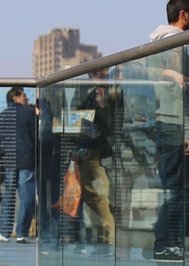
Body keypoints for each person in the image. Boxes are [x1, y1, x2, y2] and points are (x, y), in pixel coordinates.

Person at [144, 0, 189, 262]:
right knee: (176, 189)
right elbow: (181, 94)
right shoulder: (175, 45)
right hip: (174, 125)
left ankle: (171, 245)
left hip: (170, 124)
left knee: (178, 188)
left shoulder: (167, 43)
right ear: (183, 15)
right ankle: (163, 245)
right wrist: (188, 132)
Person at [70, 68, 118, 257]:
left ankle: (109, 236)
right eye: (96, 71)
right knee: (90, 194)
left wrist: (104, 105)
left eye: (104, 70)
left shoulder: (113, 88)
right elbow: (75, 114)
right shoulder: (84, 90)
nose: (101, 73)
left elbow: (113, 122)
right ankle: (106, 237)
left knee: (101, 194)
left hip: (104, 149)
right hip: (87, 148)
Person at [0, 87, 36, 244]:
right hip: (27, 160)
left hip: (9, 160)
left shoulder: (0, 117)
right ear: (15, 98)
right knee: (26, 197)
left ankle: (4, 232)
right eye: (24, 96)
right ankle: (22, 232)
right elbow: (35, 137)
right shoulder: (29, 113)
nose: (26, 98)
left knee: (8, 196)